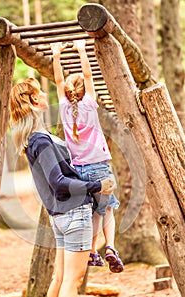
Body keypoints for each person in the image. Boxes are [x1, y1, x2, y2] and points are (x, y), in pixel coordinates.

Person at [9, 77, 116, 297]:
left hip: (60, 217)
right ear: (34, 101)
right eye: (40, 92)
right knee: (72, 281)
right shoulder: (41, 141)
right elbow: (58, 182)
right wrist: (97, 185)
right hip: (74, 214)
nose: (45, 94)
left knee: (59, 278)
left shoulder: (34, 138)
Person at [50, 40, 124, 273]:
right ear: (84, 92)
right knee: (107, 209)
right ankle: (110, 247)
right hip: (100, 168)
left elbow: (59, 80)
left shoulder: (63, 107)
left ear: (68, 92)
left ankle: (92, 251)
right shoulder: (90, 105)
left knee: (92, 211)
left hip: (79, 171)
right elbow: (88, 75)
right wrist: (82, 49)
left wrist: (56, 54)